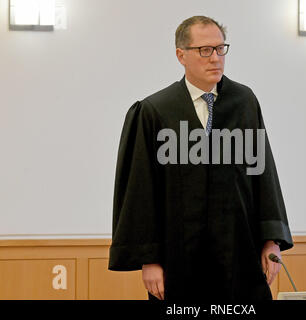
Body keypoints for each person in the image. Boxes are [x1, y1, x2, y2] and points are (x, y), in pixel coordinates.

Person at [108, 15, 293, 302]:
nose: (215, 58)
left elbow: (263, 173)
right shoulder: (155, 111)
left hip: (239, 254)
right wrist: (149, 260)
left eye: (220, 49)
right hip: (179, 258)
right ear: (181, 55)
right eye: (204, 50)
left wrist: (271, 240)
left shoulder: (244, 102)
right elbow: (141, 191)